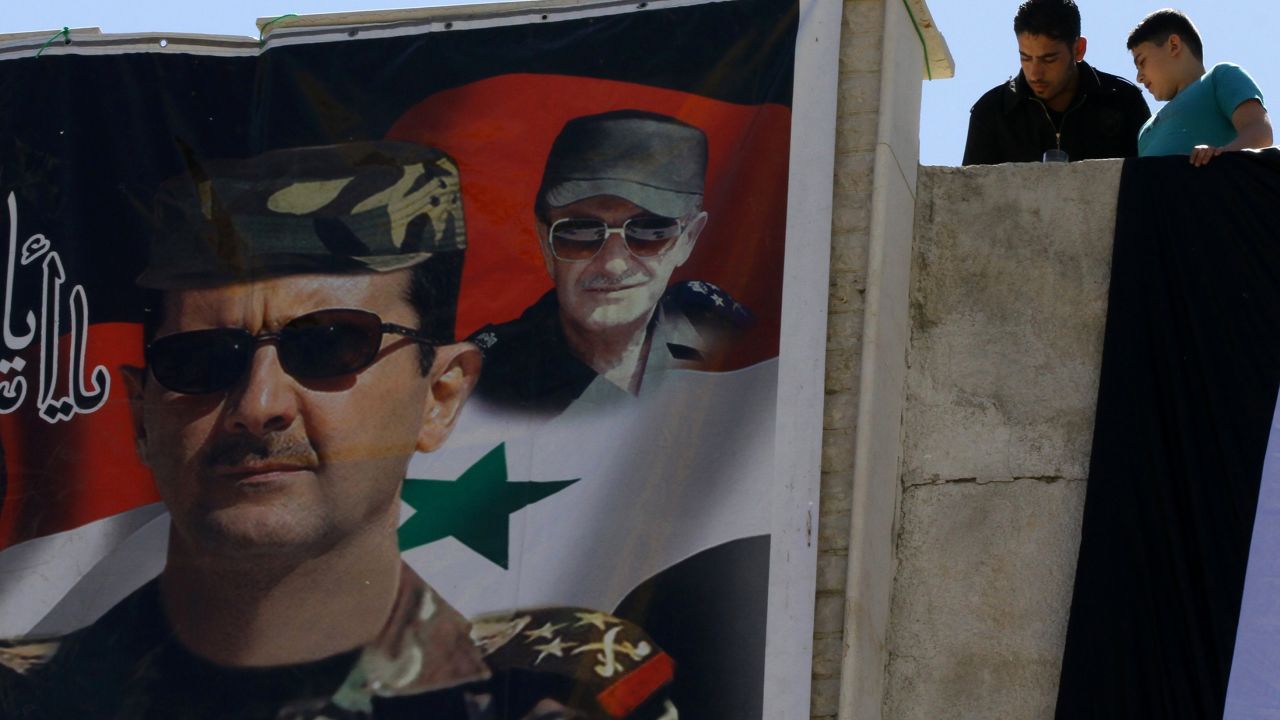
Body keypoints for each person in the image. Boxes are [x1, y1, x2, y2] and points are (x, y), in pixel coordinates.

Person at [0, 141, 676, 719]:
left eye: (328, 346)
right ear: (140, 417)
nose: (257, 403)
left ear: (441, 394)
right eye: (203, 358)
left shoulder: (558, 687)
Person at [468, 110, 751, 417]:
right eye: (580, 232)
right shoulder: (479, 385)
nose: (613, 265)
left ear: (688, 239)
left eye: (649, 232)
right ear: (544, 241)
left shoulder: (719, 330)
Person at [963, 0, 1150, 164]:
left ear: (1078, 49)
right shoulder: (992, 112)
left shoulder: (1124, 101)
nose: (1035, 74)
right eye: (1026, 58)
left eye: (1049, 59)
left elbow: (1151, 187)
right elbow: (969, 197)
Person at [1128, 9, 1273, 166]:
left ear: (1174, 45)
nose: (1139, 78)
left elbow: (1260, 134)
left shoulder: (1220, 76)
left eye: (1142, 62)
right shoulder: (1145, 131)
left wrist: (1219, 156)